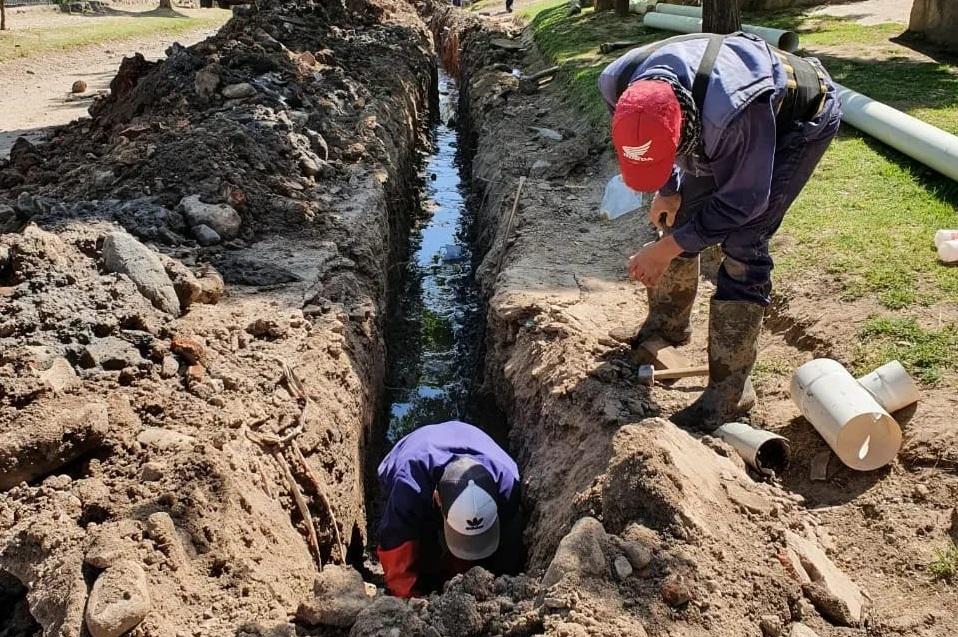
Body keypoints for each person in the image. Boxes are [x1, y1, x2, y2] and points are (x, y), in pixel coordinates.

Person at [598, 32, 842, 430]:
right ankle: (668, 326)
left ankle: (730, 394)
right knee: (681, 217)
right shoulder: (618, 83)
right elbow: (654, 141)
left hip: (797, 121)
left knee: (744, 241)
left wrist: (664, 251)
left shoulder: (734, 112)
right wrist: (668, 189)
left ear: (686, 127)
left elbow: (744, 201)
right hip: (711, 114)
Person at [376, 421, 523, 598]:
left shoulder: (507, 483)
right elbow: (394, 541)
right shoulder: (408, 484)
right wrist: (407, 600)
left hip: (473, 438)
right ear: (438, 499)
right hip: (416, 447)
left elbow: (507, 536)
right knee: (421, 543)